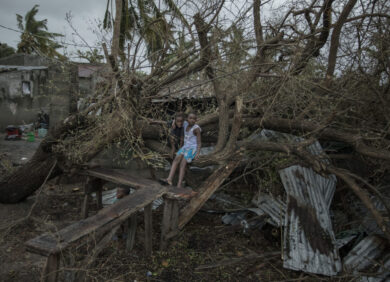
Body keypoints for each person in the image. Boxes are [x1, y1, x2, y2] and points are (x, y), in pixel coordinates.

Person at [160, 113, 201, 188]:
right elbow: (177, 119)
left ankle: (179, 184)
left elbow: (199, 142)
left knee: (182, 164)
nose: (192, 120)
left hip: (192, 148)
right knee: (176, 159)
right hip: (185, 147)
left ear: (196, 120)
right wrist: (173, 122)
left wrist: (197, 153)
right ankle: (169, 179)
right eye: (190, 118)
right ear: (187, 119)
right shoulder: (185, 124)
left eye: (193, 119)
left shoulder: (196, 129)